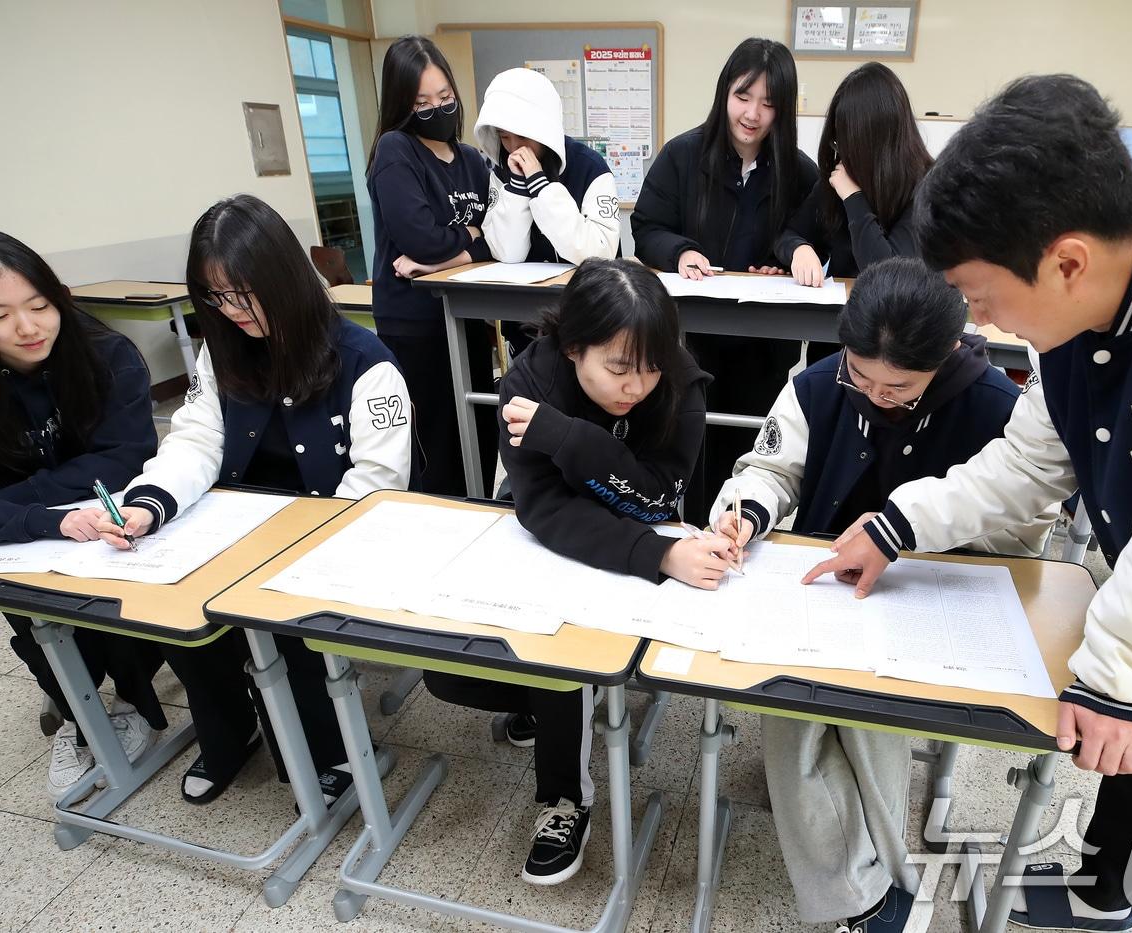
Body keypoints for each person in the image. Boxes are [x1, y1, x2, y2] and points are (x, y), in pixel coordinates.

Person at [806, 75, 1132, 933]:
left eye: (980, 293)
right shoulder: (1074, 319)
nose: (977, 318)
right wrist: (899, 526)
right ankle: (1103, 895)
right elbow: (1025, 464)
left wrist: (1109, 676)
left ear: (1066, 259)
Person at [710, 257, 1053, 930]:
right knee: (795, 699)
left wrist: (920, 545)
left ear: (948, 351)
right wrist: (745, 510)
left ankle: (865, 889)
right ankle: (874, 893)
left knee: (864, 706)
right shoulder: (815, 383)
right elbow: (770, 468)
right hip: (821, 589)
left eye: (897, 386)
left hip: (933, 598)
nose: (873, 394)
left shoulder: (996, 408)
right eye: (860, 375)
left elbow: (1020, 541)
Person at [84, 194, 414, 805]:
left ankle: (325, 750)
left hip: (329, 531)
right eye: (216, 297)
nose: (232, 312)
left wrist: (286, 555)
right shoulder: (224, 348)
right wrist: (148, 502)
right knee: (181, 610)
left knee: (289, 631)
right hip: (236, 522)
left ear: (283, 278)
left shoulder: (366, 364)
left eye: (244, 294)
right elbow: (199, 438)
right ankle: (228, 733)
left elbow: (376, 486)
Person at [423, 258, 729, 887]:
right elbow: (543, 509)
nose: (637, 386)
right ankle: (553, 699)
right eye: (618, 368)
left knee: (562, 662)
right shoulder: (527, 383)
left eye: (650, 366)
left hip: (647, 543)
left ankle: (563, 798)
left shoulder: (679, 381)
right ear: (571, 348)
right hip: (553, 545)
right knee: (446, 676)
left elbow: (655, 498)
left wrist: (567, 438)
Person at [0, 226, 165, 801]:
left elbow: (127, 455)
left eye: (40, 306)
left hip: (112, 517)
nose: (27, 328)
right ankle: (77, 711)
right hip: (26, 536)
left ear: (59, 296)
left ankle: (131, 698)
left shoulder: (106, 354)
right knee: (39, 625)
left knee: (127, 619)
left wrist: (14, 498)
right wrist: (42, 519)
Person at [631, 37, 818, 524]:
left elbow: (806, 237)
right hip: (689, 343)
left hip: (762, 349)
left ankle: (740, 536)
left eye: (769, 103)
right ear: (723, 94)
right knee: (688, 445)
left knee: (751, 452)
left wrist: (787, 256)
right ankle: (685, 534)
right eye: (743, 96)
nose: (753, 114)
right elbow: (647, 228)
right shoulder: (683, 155)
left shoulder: (799, 173)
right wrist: (682, 251)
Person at [367, 34, 495, 496]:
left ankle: (479, 510)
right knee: (435, 441)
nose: (438, 110)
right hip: (415, 322)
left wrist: (454, 254)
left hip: (468, 316)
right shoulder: (396, 150)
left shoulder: (471, 160)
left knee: (480, 428)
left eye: (445, 98)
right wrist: (473, 238)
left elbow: (499, 238)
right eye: (423, 103)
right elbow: (416, 235)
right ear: (403, 103)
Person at [776, 62, 933, 363]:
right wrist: (799, 249)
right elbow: (788, 233)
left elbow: (887, 273)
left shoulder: (925, 187)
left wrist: (854, 198)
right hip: (837, 339)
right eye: (837, 141)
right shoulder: (838, 177)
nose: (842, 152)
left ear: (879, 141)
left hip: (899, 346)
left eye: (850, 142)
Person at [475, 66, 620, 357]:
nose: (514, 148)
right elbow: (507, 253)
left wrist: (541, 186)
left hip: (590, 314)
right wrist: (517, 186)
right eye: (504, 137)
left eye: (523, 137)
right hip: (527, 317)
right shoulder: (501, 170)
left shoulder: (590, 168)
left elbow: (596, 253)